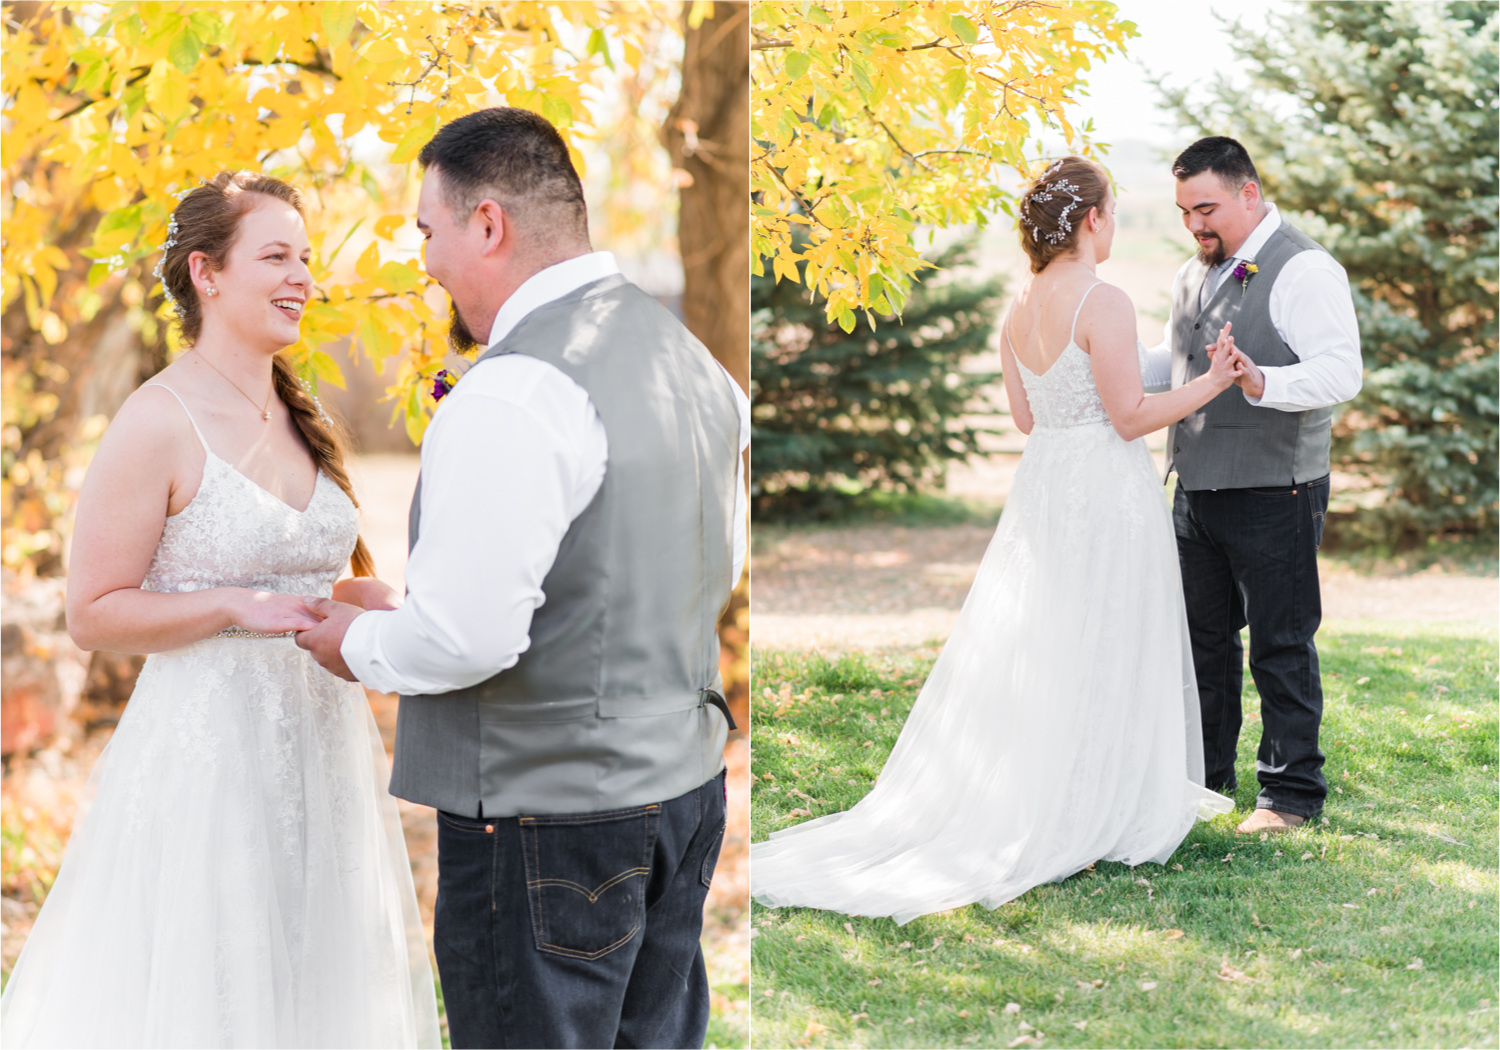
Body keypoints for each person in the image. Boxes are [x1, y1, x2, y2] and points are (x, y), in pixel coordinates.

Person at [295, 107, 749, 1049]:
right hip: (685, 796)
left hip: (550, 824)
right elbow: (694, 567)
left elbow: (469, 638)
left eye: (427, 230)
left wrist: (361, 641)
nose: (422, 258)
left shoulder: (516, 387)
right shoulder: (698, 369)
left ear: (488, 224)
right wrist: (420, 613)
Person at [0, 172, 440, 1047]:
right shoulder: (156, 419)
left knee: (317, 981)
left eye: (306, 258)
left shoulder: (296, 408)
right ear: (206, 273)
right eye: (275, 256)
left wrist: (365, 605)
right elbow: (92, 613)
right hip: (209, 755)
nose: (302, 278)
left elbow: (308, 578)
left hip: (325, 748)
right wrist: (232, 604)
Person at [750, 156, 1241, 925]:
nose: (1112, 226)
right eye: (1109, 213)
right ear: (1090, 221)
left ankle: (1059, 792)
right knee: (1105, 637)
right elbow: (1130, 415)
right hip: (1105, 489)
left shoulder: (1019, 305)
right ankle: (1091, 808)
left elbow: (1025, 416)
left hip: (1047, 485)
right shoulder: (1103, 299)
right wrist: (1213, 382)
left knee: (1050, 643)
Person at [1141, 136, 1362, 835]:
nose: (1195, 226)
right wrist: (1089, 359)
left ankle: (1289, 796)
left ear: (1249, 194)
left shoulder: (1305, 270)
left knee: (1279, 642)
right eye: (1184, 212)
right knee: (1202, 642)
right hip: (1196, 490)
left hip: (1276, 488)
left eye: (1206, 209)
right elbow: (1174, 365)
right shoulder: (1192, 272)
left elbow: (1340, 372)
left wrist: (1260, 380)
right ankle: (1206, 783)